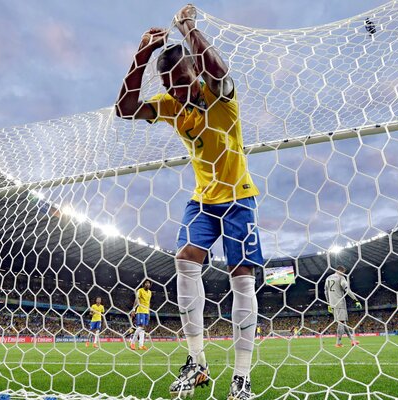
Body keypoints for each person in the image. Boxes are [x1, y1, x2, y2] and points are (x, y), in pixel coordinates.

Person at [115, 5, 263, 399]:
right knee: (184, 258)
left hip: (238, 197)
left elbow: (220, 72)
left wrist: (187, 29)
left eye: (182, 81)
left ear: (194, 71)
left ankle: (241, 379)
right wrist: (142, 55)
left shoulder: (219, 95)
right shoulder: (170, 104)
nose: (178, 91)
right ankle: (197, 364)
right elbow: (124, 108)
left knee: (241, 277)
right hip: (202, 199)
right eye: (170, 84)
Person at [324, 265, 362, 348]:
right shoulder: (341, 278)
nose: (343, 274)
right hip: (340, 303)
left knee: (343, 323)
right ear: (341, 271)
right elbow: (347, 290)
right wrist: (356, 300)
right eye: (343, 272)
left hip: (332, 304)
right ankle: (338, 343)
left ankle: (352, 340)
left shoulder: (328, 278)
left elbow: (326, 292)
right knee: (341, 322)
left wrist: (328, 304)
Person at [130, 279, 152, 351]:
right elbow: (136, 300)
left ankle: (141, 345)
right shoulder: (140, 290)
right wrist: (133, 309)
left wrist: (148, 313)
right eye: (146, 283)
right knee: (140, 327)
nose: (147, 284)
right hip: (140, 311)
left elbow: (148, 303)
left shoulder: (150, 292)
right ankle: (132, 343)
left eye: (148, 283)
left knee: (143, 329)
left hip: (146, 311)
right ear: (143, 284)